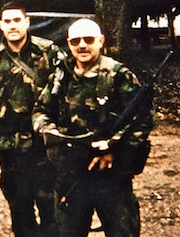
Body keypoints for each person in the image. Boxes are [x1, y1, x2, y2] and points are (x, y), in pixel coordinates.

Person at [32, 18, 154, 237]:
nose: (82, 45)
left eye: (88, 40)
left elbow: (143, 118)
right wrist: (50, 132)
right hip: (71, 175)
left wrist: (112, 148)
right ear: (68, 43)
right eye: (76, 41)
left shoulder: (117, 75)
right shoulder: (61, 76)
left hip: (111, 176)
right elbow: (40, 110)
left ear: (101, 41)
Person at [0, 2, 65, 237]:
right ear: (1, 26)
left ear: (26, 22)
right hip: (8, 147)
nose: (12, 26)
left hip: (44, 145)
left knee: (51, 206)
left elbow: (65, 94)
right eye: (7, 22)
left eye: (16, 20)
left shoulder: (49, 52)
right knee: (19, 208)